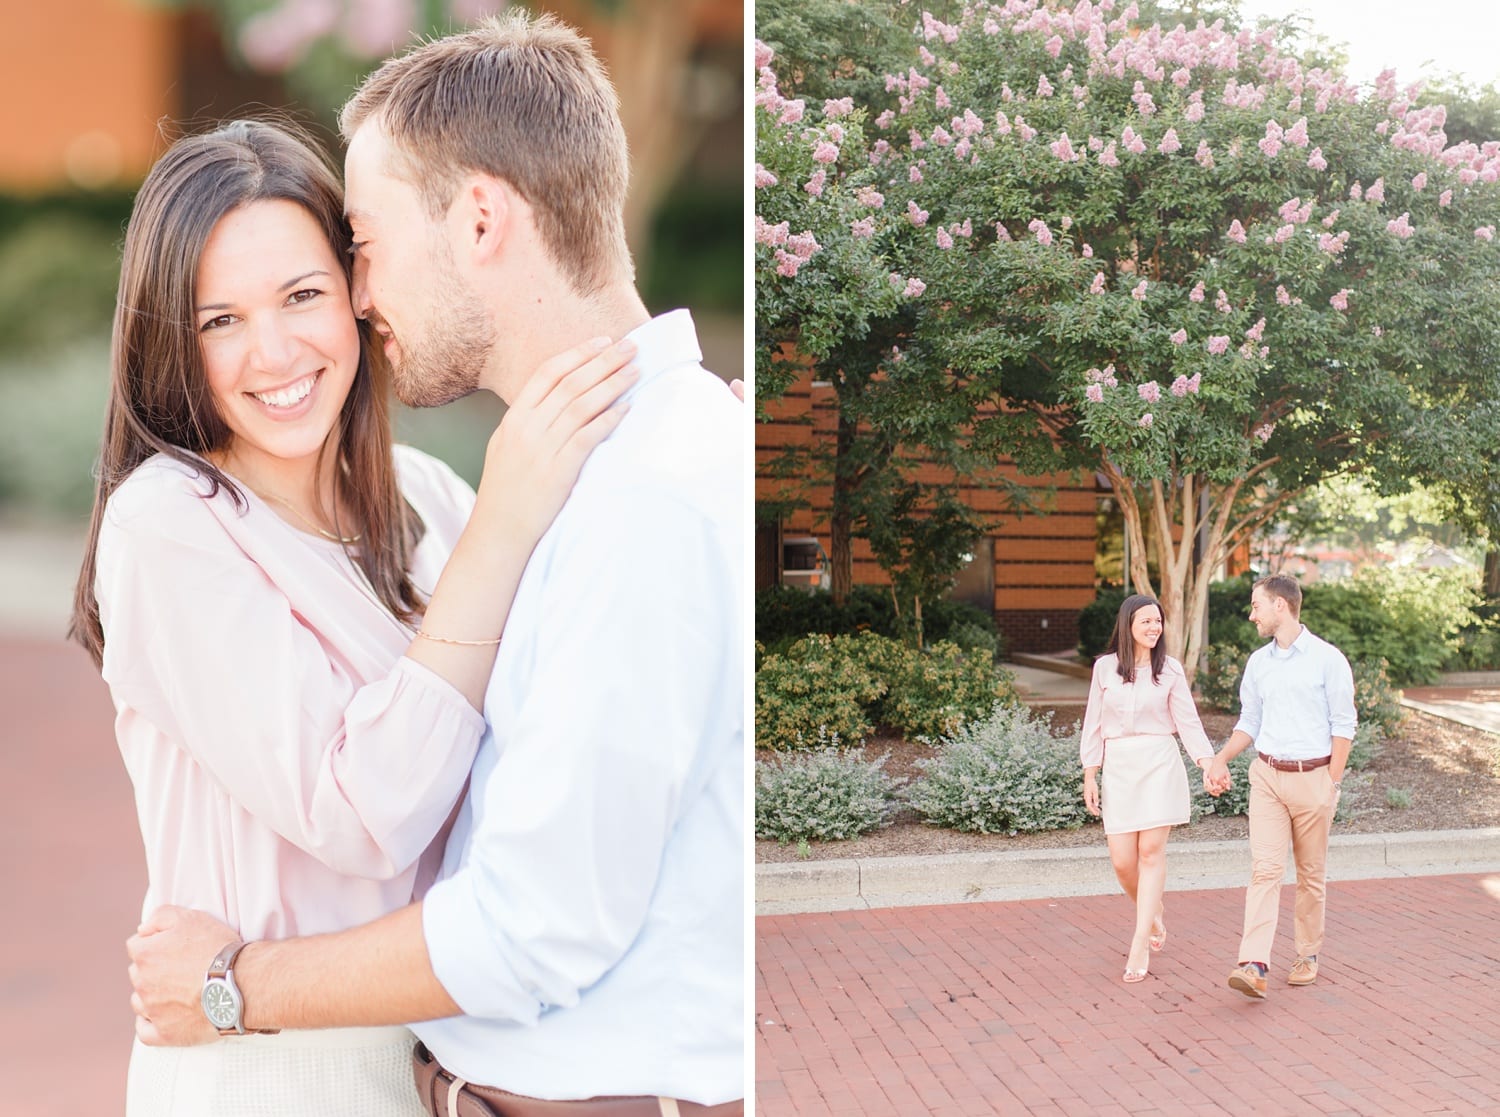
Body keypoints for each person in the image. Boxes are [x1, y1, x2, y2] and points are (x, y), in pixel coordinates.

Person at [127, 12, 745, 1117]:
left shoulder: (609, 488)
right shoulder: (561, 482)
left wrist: (231, 981)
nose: (359, 297)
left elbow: (531, 918)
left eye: (347, 259)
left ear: (478, 218)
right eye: (221, 317)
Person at [70, 117, 635, 1115]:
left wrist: (685, 456)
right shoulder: (169, 527)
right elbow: (364, 813)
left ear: (356, 295)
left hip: (440, 1067)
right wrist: (504, 524)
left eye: (301, 296)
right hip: (263, 1076)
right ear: (169, 334)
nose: (274, 351)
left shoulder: (429, 500)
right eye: (219, 320)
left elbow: (574, 678)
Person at [1205, 574, 1356, 1000]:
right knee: (1265, 871)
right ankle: (1253, 964)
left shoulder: (1328, 660)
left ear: (1281, 607)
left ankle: (1307, 953)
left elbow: (1344, 725)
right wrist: (1220, 758)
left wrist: (1332, 783)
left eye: (1256, 606)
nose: (1251, 614)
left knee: (1310, 875)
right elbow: (1248, 722)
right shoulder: (1259, 663)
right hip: (1267, 777)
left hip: (1315, 778)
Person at [1080, 594, 1220, 983]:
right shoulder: (1105, 669)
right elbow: (1093, 722)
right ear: (1128, 626)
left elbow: (1189, 724)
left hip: (1159, 763)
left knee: (1151, 851)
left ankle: (1140, 941)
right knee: (1123, 862)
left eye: (1158, 621)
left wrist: (1208, 763)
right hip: (1120, 767)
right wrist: (1090, 772)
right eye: (1146, 621)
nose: (1154, 627)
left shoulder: (1170, 670)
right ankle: (1152, 911)